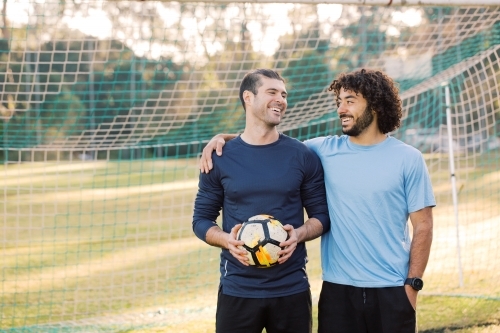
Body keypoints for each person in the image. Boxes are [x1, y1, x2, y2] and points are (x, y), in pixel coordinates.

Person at [199, 68, 435, 333]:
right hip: (338, 290)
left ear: (376, 105)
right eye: (339, 102)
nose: (341, 109)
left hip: (391, 288)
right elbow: (264, 141)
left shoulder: (408, 158)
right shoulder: (321, 150)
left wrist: (412, 285)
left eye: (350, 101)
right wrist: (223, 139)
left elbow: (423, 226)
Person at [192, 68, 330, 333]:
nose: (281, 99)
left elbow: (322, 216)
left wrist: (298, 234)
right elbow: (200, 220)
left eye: (284, 94)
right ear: (248, 97)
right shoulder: (218, 157)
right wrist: (226, 241)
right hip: (238, 290)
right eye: (272, 92)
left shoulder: (302, 155)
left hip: (291, 289)